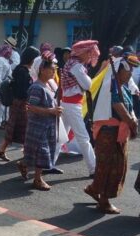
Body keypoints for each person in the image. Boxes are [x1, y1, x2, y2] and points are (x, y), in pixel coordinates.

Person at [84, 55, 139, 214]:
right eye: (127, 71)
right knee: (108, 166)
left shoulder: (124, 87)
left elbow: (129, 107)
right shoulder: (111, 85)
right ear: (118, 71)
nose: (130, 74)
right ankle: (103, 201)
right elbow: (116, 103)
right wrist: (130, 121)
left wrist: (132, 119)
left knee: (116, 165)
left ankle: (95, 190)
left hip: (119, 133)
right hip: (109, 133)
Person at [17, 53, 62, 191]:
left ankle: (24, 164)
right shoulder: (37, 87)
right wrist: (51, 111)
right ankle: (37, 179)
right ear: (42, 70)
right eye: (51, 69)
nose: (54, 72)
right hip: (38, 126)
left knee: (37, 152)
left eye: (55, 69)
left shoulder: (48, 85)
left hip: (47, 125)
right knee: (42, 152)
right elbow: (31, 107)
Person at [59, 40, 100, 177]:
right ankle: (93, 169)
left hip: (67, 103)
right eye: (89, 53)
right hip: (72, 105)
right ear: (83, 52)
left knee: (60, 137)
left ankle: (48, 163)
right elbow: (88, 85)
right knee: (83, 138)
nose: (90, 57)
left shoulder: (71, 63)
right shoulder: (76, 66)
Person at [0, 46, 40, 161]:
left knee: (14, 127)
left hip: (17, 103)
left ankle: (2, 150)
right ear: (32, 59)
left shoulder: (20, 69)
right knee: (24, 128)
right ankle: (27, 154)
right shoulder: (23, 71)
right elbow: (22, 90)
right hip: (21, 103)